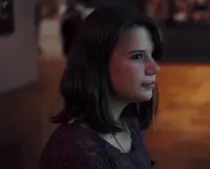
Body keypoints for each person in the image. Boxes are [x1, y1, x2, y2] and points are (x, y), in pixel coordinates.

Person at [39, 6, 162, 169]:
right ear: (98, 63)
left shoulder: (128, 124)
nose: (154, 68)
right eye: (138, 56)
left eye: (151, 55)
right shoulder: (77, 152)